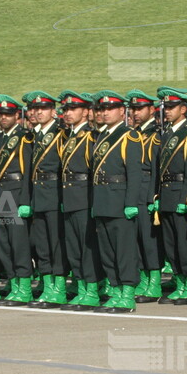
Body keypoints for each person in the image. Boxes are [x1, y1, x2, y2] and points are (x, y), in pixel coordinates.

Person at [90, 90, 143, 313]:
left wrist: (131, 202)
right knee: (108, 250)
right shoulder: (101, 135)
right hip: (102, 199)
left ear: (122, 111)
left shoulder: (128, 135)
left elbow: (135, 172)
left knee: (124, 250)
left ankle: (128, 293)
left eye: (110, 108)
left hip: (120, 200)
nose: (105, 113)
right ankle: (115, 289)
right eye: (102, 109)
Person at [0, 94, 34, 308]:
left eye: (7, 114)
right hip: (0, 195)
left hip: (15, 193)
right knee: (3, 243)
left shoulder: (24, 138)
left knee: (18, 243)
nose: (3, 118)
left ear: (17, 115)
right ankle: (13, 283)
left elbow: (27, 171)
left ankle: (23, 286)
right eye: (0, 114)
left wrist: (25, 199)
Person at [58, 91, 102, 311]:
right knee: (74, 247)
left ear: (86, 112)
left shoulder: (91, 137)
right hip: (70, 197)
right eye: (65, 109)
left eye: (73, 109)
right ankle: (81, 286)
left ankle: (91, 290)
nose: (68, 113)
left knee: (87, 248)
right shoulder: (69, 136)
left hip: (84, 197)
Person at [23, 91, 68, 308]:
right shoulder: (36, 135)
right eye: (35, 109)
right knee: (41, 243)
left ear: (53, 111)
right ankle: (47, 284)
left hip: (54, 193)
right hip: (38, 194)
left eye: (43, 109)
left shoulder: (60, 134)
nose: (38, 113)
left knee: (55, 243)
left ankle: (58, 287)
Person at [155, 87, 187, 304]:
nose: (168, 111)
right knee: (171, 244)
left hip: (181, 192)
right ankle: (179, 282)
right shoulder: (167, 133)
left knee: (184, 243)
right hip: (167, 194)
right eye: (166, 108)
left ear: (184, 109)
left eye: (172, 107)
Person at [127, 90, 164, 303]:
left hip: (148, 192)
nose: (136, 113)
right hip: (135, 191)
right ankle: (142, 278)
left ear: (151, 110)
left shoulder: (156, 135)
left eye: (140, 108)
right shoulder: (134, 134)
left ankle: (155, 281)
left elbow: (156, 168)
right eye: (133, 109)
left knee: (150, 240)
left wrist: (153, 196)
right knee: (137, 239)